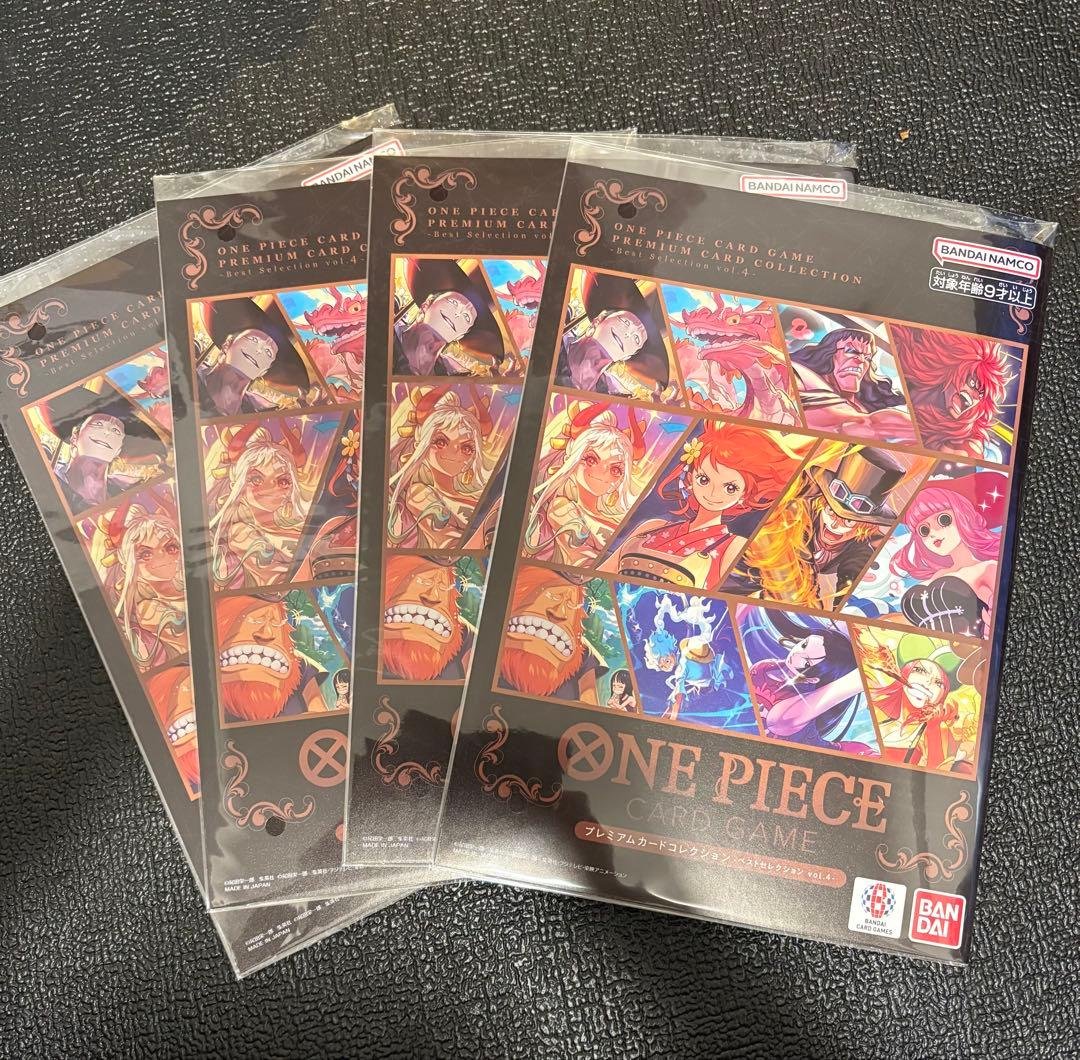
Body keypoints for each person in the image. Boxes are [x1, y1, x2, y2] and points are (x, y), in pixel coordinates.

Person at [613, 422, 799, 590]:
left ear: (744, 493)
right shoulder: (651, 527)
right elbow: (604, 571)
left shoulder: (733, 546)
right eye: (704, 479)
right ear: (690, 476)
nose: (713, 493)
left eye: (730, 488)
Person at [732, 444, 907, 610]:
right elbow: (794, 583)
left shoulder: (861, 548)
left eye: (848, 521)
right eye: (831, 511)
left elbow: (851, 580)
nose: (835, 524)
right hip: (745, 574)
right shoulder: (796, 514)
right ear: (821, 503)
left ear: (864, 527)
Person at [525, 402, 641, 566]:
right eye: (591, 460)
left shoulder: (618, 519)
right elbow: (580, 565)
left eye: (615, 469)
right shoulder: (562, 508)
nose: (602, 473)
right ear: (572, 461)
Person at [387, 389, 493, 550]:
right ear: (422, 447)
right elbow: (452, 550)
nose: (454, 452)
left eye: (466, 448)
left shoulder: (478, 496)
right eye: (441, 442)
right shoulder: (419, 493)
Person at [209, 423, 307, 588]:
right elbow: (281, 583)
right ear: (239, 484)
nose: (271, 488)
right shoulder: (240, 533)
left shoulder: (295, 526)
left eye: (283, 481)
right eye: (256, 479)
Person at [893, 325, 1013, 459]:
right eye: (972, 383)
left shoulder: (964, 443)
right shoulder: (906, 373)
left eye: (981, 394)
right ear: (952, 367)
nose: (975, 396)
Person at [790, 327, 916, 442]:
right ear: (827, 354)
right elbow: (868, 425)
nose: (861, 360)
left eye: (867, 357)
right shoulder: (802, 376)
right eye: (851, 351)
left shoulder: (861, 406)